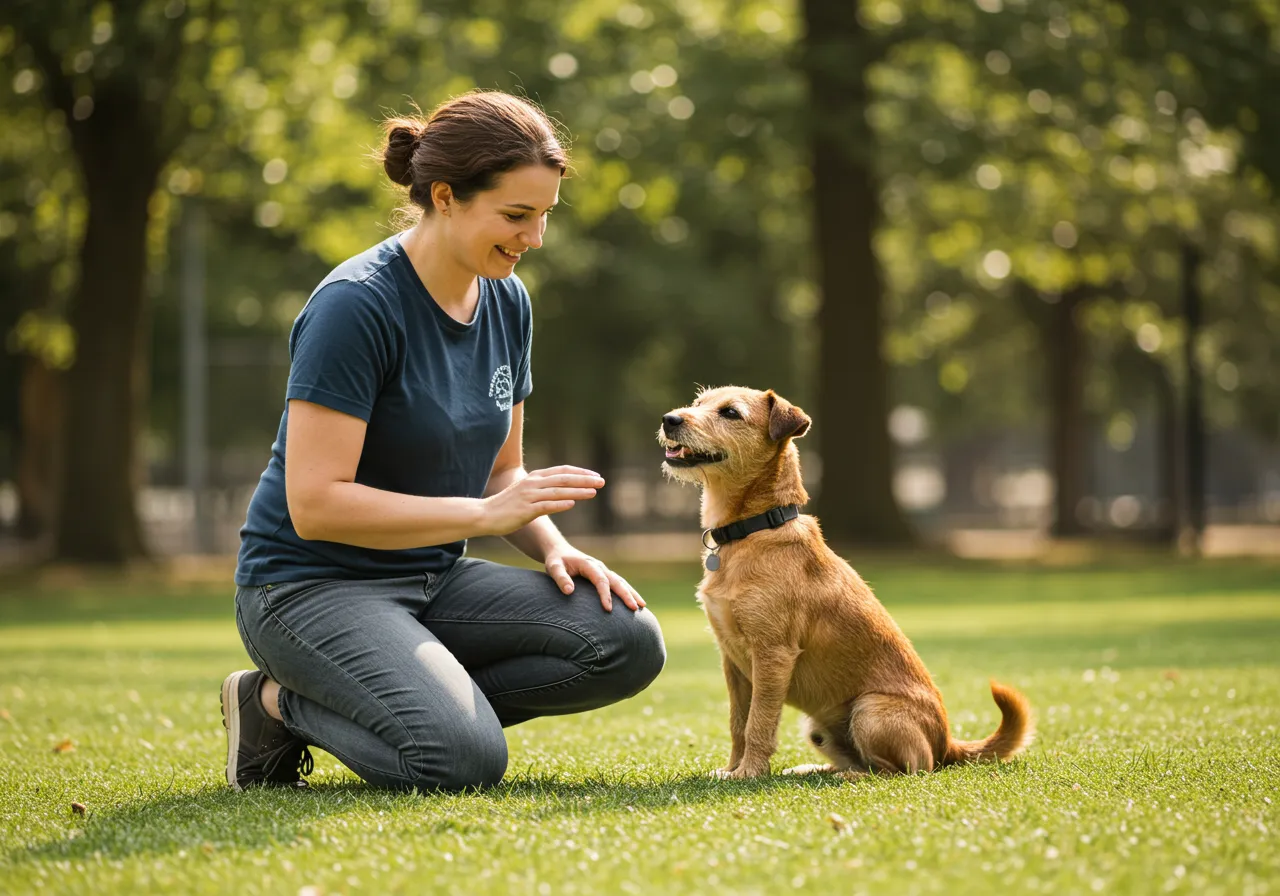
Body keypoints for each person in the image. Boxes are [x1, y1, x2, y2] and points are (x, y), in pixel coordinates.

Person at [220, 90, 666, 793]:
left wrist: (557, 549)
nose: (535, 238)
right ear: (446, 196)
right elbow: (316, 505)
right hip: (308, 587)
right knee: (460, 760)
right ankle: (276, 705)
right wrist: (483, 517)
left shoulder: (508, 300)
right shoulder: (355, 305)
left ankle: (421, 701)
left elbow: (501, 474)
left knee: (625, 640)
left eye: (545, 215)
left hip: (433, 580)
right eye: (516, 215)